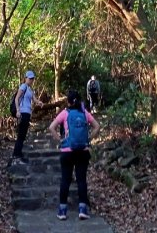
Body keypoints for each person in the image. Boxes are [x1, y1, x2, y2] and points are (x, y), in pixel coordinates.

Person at [49, 90, 100, 221]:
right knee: (81, 180)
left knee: (65, 180)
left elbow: (51, 127)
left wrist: (60, 140)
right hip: (83, 151)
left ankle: (62, 211)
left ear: (69, 101)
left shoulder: (65, 113)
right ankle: (82, 210)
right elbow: (97, 127)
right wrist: (88, 139)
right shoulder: (84, 113)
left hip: (67, 151)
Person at [12, 70, 43, 164]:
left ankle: (18, 154)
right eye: (30, 79)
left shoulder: (30, 89)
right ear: (25, 78)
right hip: (22, 113)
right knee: (21, 134)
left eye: (32, 79)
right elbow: (17, 98)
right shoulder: (23, 86)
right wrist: (18, 110)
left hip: (27, 113)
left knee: (23, 135)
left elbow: (34, 99)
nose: (31, 80)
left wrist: (39, 102)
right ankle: (16, 155)